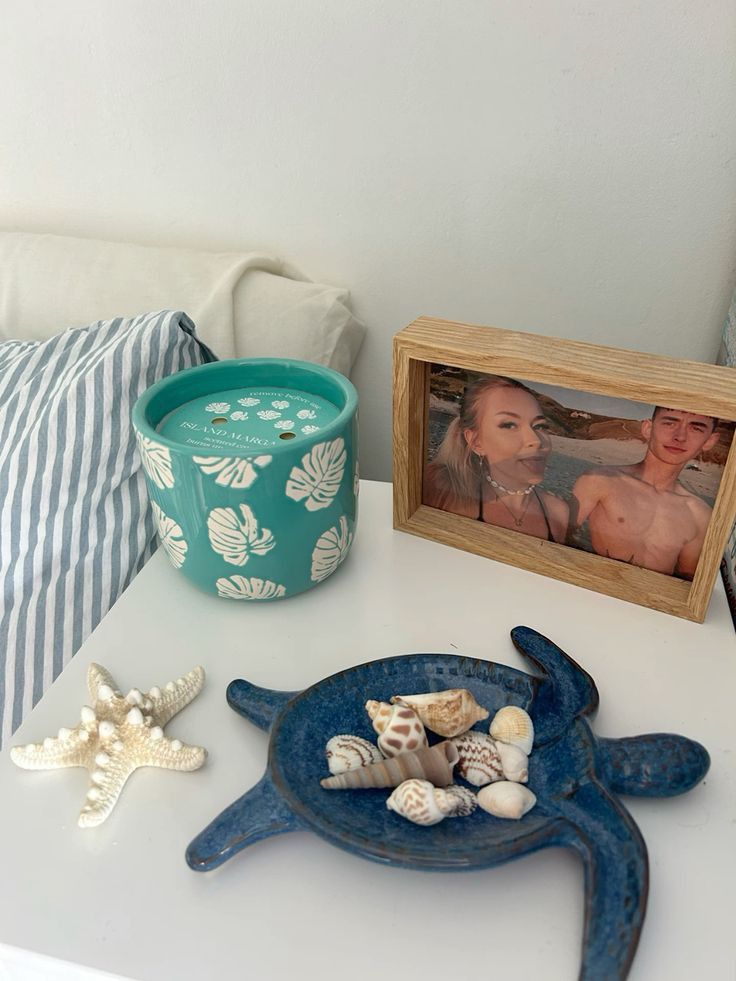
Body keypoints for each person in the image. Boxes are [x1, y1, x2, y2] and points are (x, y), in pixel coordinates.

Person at [570, 407, 720, 579]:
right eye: (669, 423)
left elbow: (688, 583)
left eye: (696, 428)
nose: (680, 436)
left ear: (709, 441)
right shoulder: (600, 480)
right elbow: (559, 540)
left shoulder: (701, 515)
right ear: (648, 428)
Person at [424, 375, 568, 543]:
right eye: (509, 425)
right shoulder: (441, 488)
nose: (536, 441)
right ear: (476, 442)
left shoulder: (558, 513)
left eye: (540, 426)